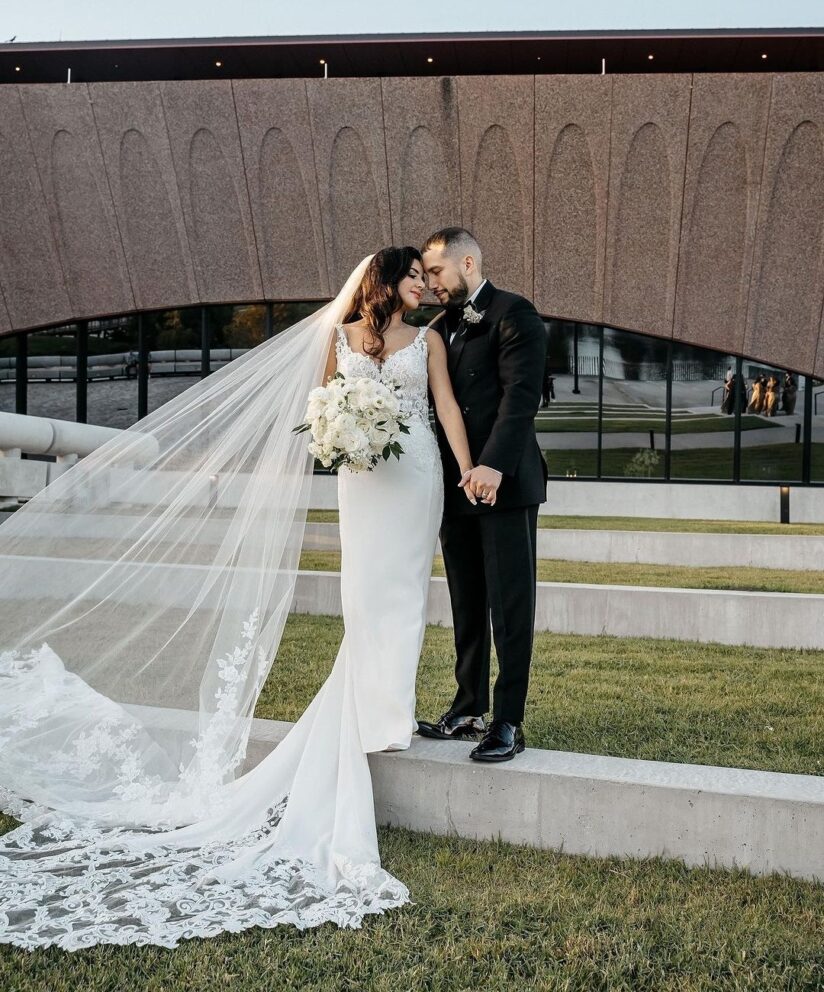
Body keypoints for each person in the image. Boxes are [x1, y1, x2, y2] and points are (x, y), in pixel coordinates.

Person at [0, 247, 475, 950]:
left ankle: (388, 712)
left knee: (403, 590)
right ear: (385, 283)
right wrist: (341, 437)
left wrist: (466, 471)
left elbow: (443, 408)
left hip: (417, 474)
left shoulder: (429, 341)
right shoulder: (339, 339)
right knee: (364, 593)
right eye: (411, 276)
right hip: (363, 482)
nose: (421, 286)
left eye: (423, 278)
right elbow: (319, 414)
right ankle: (372, 706)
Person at [416, 228, 547, 763]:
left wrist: (491, 464)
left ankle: (508, 721)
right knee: (467, 602)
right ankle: (468, 706)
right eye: (424, 276)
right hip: (454, 487)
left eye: (437, 273)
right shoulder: (436, 328)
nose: (430, 285)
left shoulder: (515, 314)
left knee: (509, 607)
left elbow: (521, 397)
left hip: (506, 486)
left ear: (467, 263)